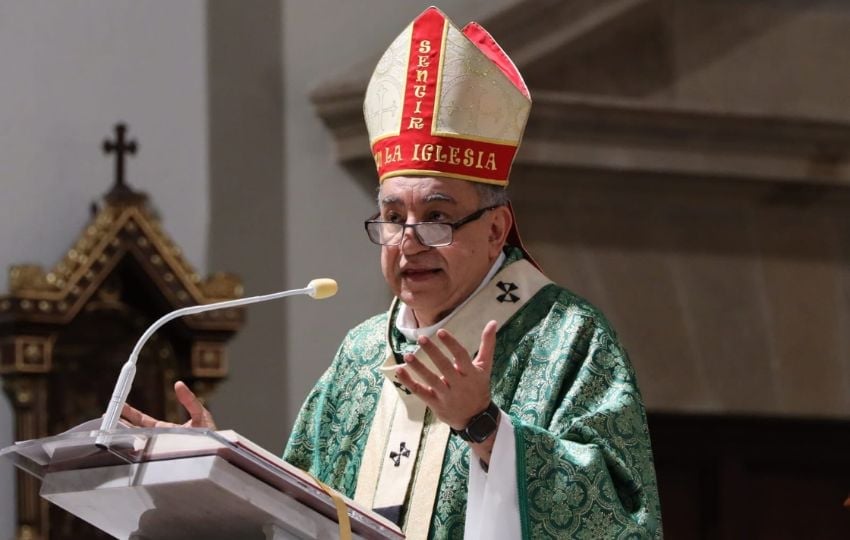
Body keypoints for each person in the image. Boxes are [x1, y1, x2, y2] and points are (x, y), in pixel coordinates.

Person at [123, 7, 661, 539]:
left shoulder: (569, 341)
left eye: (437, 218)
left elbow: (621, 519)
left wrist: (486, 427)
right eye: (392, 216)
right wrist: (214, 470)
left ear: (496, 230)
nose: (407, 241)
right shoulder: (360, 357)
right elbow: (295, 515)